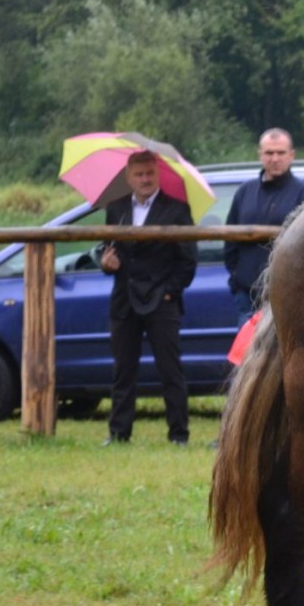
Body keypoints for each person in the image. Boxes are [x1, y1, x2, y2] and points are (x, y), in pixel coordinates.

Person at [98, 151, 197, 445]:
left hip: (161, 301)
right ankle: (119, 433)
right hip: (124, 299)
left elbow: (188, 261)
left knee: (170, 369)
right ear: (129, 178)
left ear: (158, 175)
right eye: (139, 175)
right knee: (123, 370)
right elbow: (107, 249)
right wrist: (106, 264)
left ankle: (178, 434)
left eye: (149, 174)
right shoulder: (116, 209)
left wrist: (169, 292)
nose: (145, 179)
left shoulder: (177, 210)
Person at [223, 128, 304, 322]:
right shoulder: (244, 192)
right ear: (260, 154)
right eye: (269, 153)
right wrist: (237, 280)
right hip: (247, 295)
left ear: (292, 155)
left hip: (288, 295)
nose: (275, 159)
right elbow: (229, 240)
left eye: (281, 153)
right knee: (247, 343)